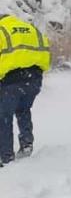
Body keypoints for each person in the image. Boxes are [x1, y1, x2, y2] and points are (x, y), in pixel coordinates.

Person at [0, 14, 51, 167]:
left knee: (3, 116)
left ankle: (5, 157)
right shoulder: (31, 29)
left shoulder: (1, 30)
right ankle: (26, 144)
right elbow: (45, 53)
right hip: (34, 78)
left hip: (11, 80)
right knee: (23, 110)